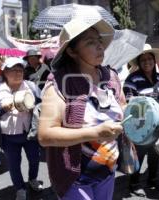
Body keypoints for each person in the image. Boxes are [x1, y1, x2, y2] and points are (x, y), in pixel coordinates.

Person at [38, 18, 125, 200]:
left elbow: (123, 109)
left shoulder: (111, 77)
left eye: (99, 41)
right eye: (90, 42)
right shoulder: (60, 83)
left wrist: (139, 112)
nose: (99, 46)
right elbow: (45, 135)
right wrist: (95, 132)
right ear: (72, 51)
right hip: (74, 178)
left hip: (108, 171)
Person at [0, 57, 43, 200]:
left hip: (30, 134)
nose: (18, 73)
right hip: (8, 137)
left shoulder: (31, 86)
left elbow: (43, 104)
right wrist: (1, 109)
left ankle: (33, 179)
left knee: (34, 159)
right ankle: (20, 189)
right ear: (5, 72)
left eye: (20, 70)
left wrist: (34, 108)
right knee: (13, 164)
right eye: (13, 70)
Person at [123, 43, 159, 197]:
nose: (147, 62)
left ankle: (152, 179)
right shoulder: (133, 78)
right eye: (143, 60)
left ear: (153, 60)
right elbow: (129, 101)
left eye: (149, 59)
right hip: (141, 126)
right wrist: (144, 103)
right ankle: (134, 183)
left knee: (155, 153)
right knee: (138, 155)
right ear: (139, 62)